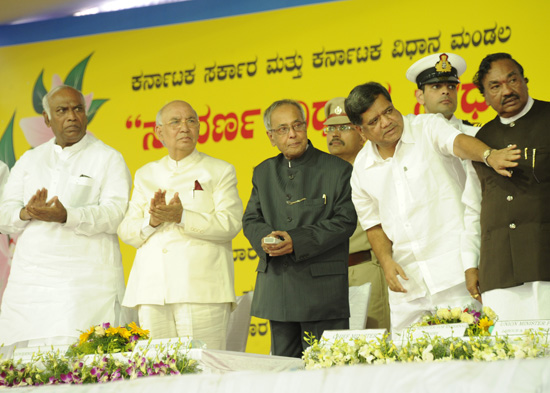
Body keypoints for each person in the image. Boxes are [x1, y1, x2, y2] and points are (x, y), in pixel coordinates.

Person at [345, 82, 520, 331]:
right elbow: (373, 224)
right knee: (410, 360)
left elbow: (458, 142)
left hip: (455, 272)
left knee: (473, 353)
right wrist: (385, 262)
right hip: (407, 283)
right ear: (360, 130)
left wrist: (488, 155)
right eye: (373, 121)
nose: (386, 122)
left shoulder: (427, 126)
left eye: (388, 111)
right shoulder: (362, 169)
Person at [0, 85, 131, 348]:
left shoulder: (108, 158)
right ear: (47, 119)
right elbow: (4, 215)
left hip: (84, 285)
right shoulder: (30, 160)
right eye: (62, 110)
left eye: (78, 109)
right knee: (24, 373)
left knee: (77, 368)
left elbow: (115, 214)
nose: (72, 116)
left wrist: (66, 216)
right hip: (30, 287)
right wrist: (26, 212)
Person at [117, 100, 243, 350]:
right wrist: (152, 221)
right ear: (159, 132)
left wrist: (182, 217)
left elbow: (230, 223)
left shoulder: (219, 170)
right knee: (157, 375)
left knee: (204, 374)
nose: (185, 127)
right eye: (175, 122)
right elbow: (126, 231)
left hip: (201, 291)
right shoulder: (145, 174)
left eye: (191, 120)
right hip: (152, 290)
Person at [242, 99, 357, 357]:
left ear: (306, 127)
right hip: (278, 288)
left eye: (297, 126)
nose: (292, 134)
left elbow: (345, 220)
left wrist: (297, 240)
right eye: (282, 129)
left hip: (322, 293)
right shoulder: (263, 172)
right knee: (285, 375)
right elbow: (251, 219)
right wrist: (265, 239)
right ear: (271, 137)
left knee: (329, 373)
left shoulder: (337, 170)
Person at [462, 53, 550, 320]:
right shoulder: (481, 140)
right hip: (499, 267)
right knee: (509, 356)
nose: (507, 90)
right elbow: (472, 208)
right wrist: (470, 265)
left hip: (544, 260)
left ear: (525, 80)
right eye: (495, 86)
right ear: (484, 96)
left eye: (513, 80)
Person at [324, 97, 390, 330]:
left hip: (366, 268)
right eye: (330, 128)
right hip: (328, 276)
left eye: (343, 127)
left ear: (362, 134)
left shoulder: (376, 170)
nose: (335, 134)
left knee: (373, 349)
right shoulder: (320, 178)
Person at [406, 52, 478, 136]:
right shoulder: (411, 135)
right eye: (436, 86)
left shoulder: (475, 133)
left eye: (451, 86)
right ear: (420, 96)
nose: (445, 91)